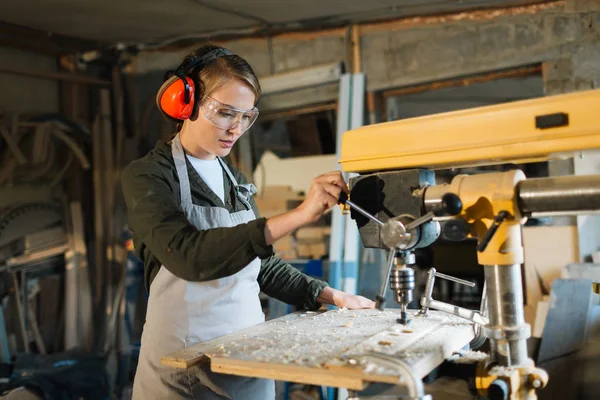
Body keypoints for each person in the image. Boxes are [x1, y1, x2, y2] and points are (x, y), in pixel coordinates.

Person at [121, 44, 375, 400]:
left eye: (246, 116)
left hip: (245, 356)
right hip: (180, 366)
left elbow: (261, 266)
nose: (236, 128)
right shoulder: (149, 175)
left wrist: (331, 295)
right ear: (186, 103)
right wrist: (300, 215)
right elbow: (188, 256)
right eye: (225, 113)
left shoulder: (235, 179)